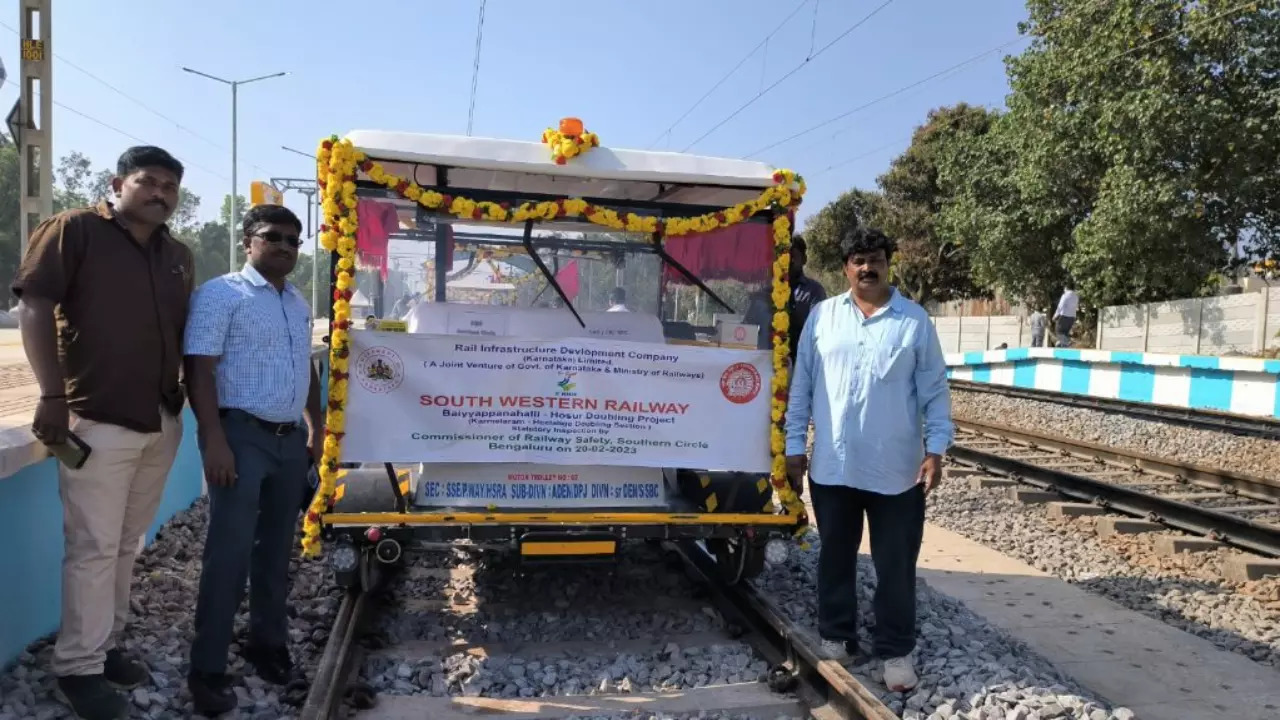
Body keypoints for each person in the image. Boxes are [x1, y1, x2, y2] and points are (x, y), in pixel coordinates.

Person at [12, 146, 192, 720]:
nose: (160, 192)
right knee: (92, 547)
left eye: (170, 185)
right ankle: (79, 669)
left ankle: (105, 645)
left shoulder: (176, 256)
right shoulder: (74, 231)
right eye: (149, 181)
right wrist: (51, 394)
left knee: (125, 544)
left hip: (160, 420)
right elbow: (35, 307)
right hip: (97, 417)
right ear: (119, 183)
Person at [785, 226, 953, 693]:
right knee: (834, 557)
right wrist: (794, 447)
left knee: (895, 564)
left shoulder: (914, 321)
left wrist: (936, 449)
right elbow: (802, 389)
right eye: (857, 259)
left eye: (875, 257)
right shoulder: (822, 318)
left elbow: (935, 392)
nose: (866, 267)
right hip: (833, 468)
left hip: (896, 470)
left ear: (887, 262)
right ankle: (837, 637)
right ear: (845, 267)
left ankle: (895, 651)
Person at [183, 204, 323, 716]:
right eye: (274, 236)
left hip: (289, 442)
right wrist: (213, 439)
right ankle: (208, 668)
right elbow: (199, 368)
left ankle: (268, 646)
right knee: (230, 552)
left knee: (275, 549)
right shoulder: (222, 295)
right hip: (240, 436)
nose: (285, 246)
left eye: (294, 239)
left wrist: (316, 424)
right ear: (248, 240)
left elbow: (303, 365)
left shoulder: (295, 301)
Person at [744, 234, 827, 357]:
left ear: (804, 259)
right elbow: (747, 330)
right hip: (763, 364)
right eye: (783, 256)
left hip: (799, 364)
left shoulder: (814, 291)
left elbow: (820, 332)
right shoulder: (764, 292)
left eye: (793, 256)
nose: (787, 261)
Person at [1053, 284, 1079, 348]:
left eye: (1064, 288)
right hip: (1072, 317)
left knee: (1059, 332)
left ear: (1066, 288)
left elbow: (1060, 306)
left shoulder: (1065, 295)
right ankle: (1064, 346)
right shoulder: (1076, 296)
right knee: (1065, 333)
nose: (1064, 290)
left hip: (1064, 317)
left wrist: (1055, 315)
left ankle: (1068, 342)